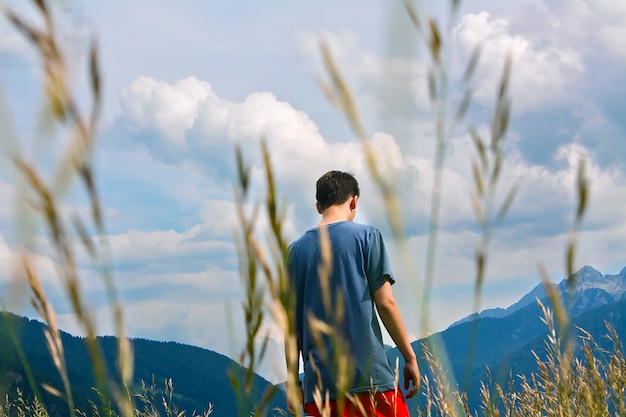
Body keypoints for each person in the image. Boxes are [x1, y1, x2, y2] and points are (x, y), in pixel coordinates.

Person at [287, 170, 420, 417]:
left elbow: (292, 327)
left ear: (319, 206)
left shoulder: (294, 252)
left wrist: (293, 381)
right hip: (371, 382)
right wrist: (409, 357)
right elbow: (386, 303)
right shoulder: (367, 237)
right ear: (354, 201)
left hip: (320, 390)